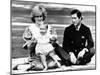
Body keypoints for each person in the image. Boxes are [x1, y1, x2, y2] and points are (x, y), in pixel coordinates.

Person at [22, 5, 60, 70]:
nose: (39, 18)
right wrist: (33, 43)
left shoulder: (49, 28)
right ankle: (20, 66)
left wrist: (53, 41)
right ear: (33, 17)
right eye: (37, 16)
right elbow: (27, 47)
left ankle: (41, 64)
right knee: (40, 67)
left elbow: (55, 44)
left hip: (48, 55)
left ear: (43, 16)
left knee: (52, 65)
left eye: (41, 16)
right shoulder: (30, 29)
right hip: (35, 55)